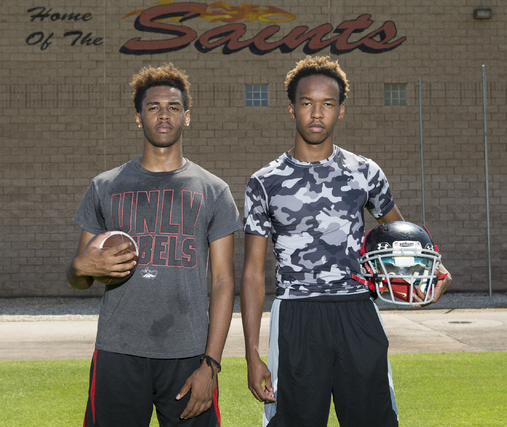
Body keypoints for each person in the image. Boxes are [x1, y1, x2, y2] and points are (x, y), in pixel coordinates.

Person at [240, 56, 452, 427]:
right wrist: (251, 354)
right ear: (292, 109)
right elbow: (253, 273)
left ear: (341, 110)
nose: (317, 114)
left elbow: (401, 238)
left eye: (328, 104)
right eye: (307, 103)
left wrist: (432, 274)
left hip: (357, 311)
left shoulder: (364, 172)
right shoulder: (264, 181)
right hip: (296, 314)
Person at [67, 63, 242, 427]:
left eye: (173, 107)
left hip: (188, 354)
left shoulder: (214, 190)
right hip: (118, 351)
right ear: (138, 117)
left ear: (187, 117)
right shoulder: (105, 186)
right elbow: (80, 274)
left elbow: (224, 282)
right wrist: (79, 268)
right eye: (153, 107)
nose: (164, 114)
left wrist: (210, 364)